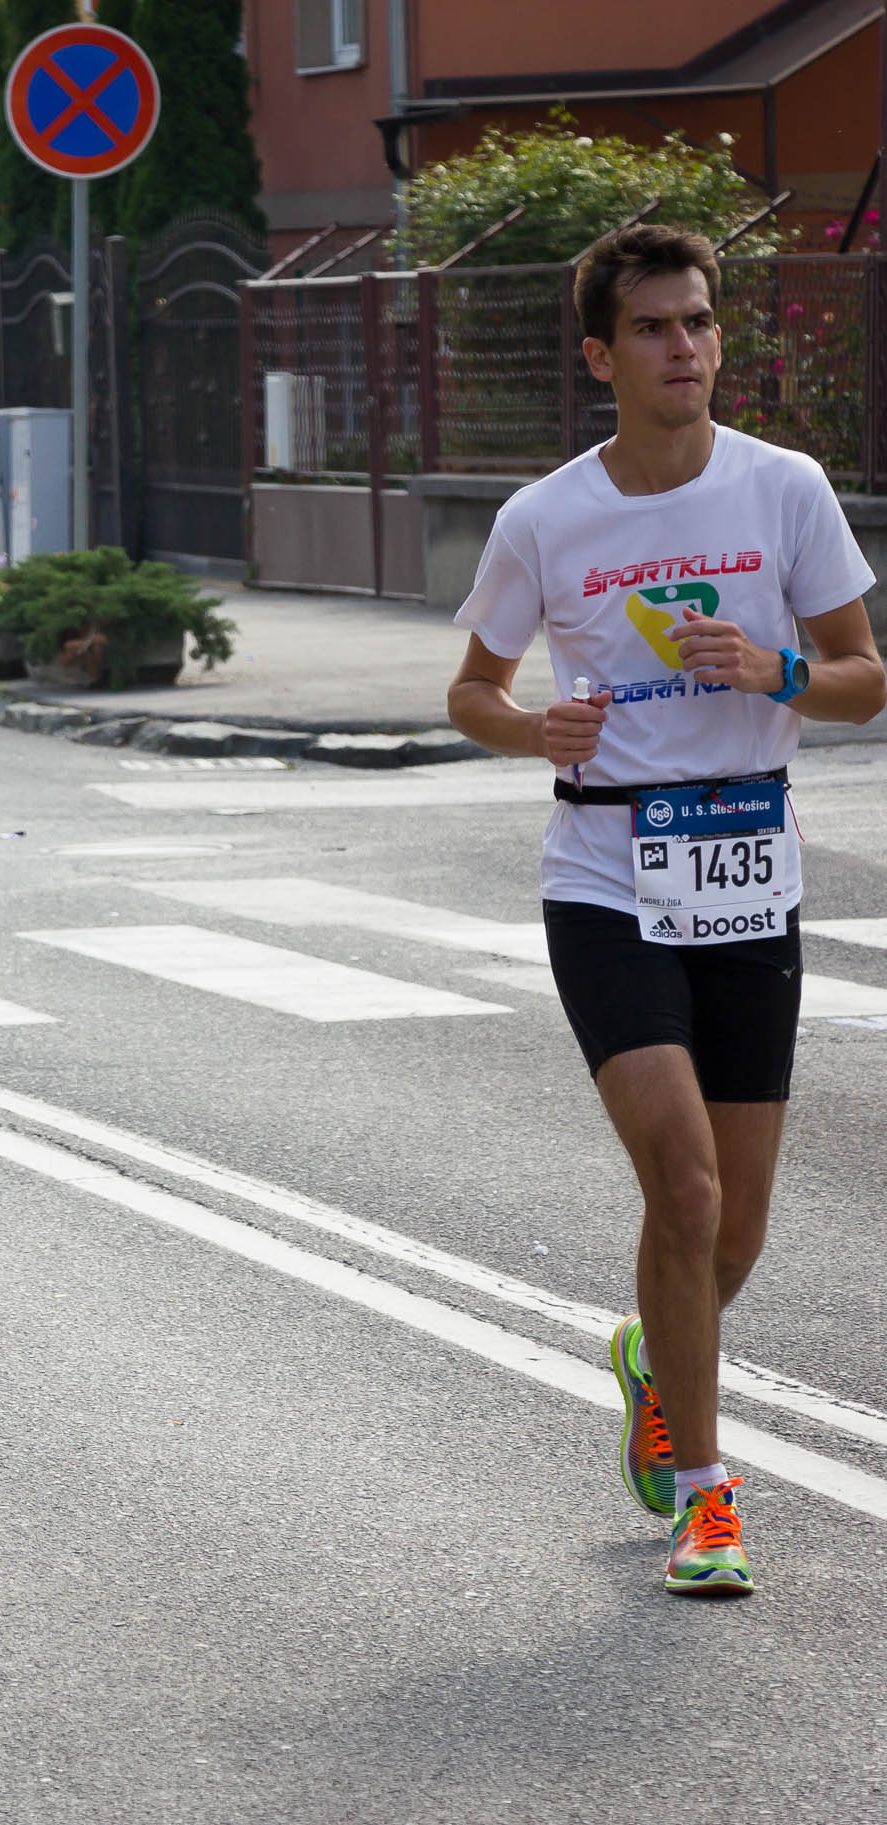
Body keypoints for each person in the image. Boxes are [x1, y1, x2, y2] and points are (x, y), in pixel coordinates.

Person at [446, 225, 885, 1597]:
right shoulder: (545, 519)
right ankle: (704, 1498)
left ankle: (652, 1353)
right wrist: (529, 729)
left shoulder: (782, 487)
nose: (682, 347)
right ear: (600, 355)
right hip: (605, 874)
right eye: (651, 328)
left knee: (731, 1228)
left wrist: (772, 670)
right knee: (681, 1187)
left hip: (747, 867)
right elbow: (470, 689)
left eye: (696, 322)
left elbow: (862, 677)